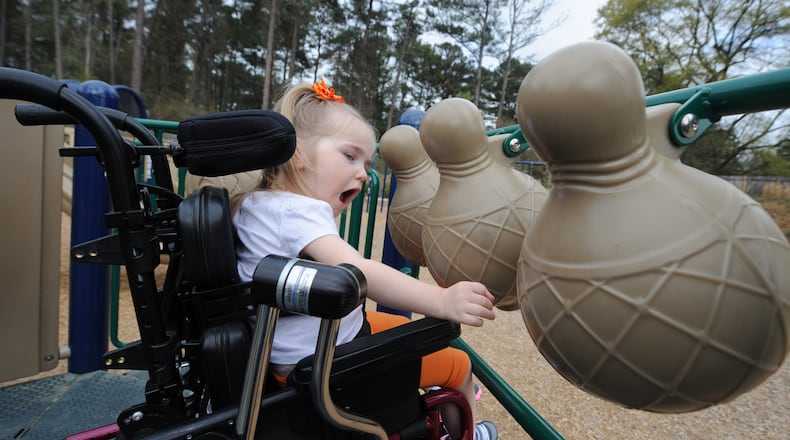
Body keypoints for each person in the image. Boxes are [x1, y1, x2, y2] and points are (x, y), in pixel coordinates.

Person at [232, 78, 498, 440]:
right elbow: (359, 271)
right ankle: (469, 433)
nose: (363, 173)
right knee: (458, 363)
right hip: (326, 361)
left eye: (367, 162)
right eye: (349, 155)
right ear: (297, 154)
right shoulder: (297, 212)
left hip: (304, 346)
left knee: (406, 331)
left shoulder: (256, 204)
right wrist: (441, 299)